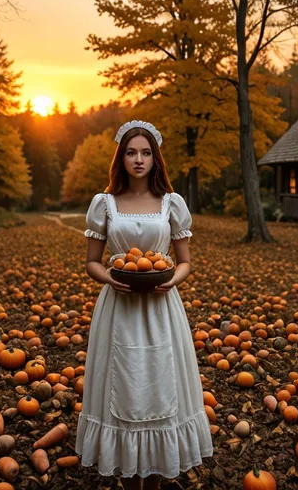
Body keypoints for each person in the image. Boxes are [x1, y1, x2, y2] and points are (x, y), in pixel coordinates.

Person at [75, 120, 214, 490]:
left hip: (160, 308)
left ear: (156, 159)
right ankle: (128, 478)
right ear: (121, 158)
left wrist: (172, 279)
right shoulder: (104, 204)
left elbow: (184, 261)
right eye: (132, 153)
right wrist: (110, 278)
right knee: (124, 385)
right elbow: (92, 262)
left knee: (158, 384)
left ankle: (154, 477)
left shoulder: (172, 203)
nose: (139, 160)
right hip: (118, 308)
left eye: (146, 153)